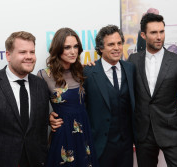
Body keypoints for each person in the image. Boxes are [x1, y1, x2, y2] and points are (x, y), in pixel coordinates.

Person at [50, 25, 135, 167]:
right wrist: (50, 116)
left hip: (126, 146)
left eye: (119, 43)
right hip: (98, 145)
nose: (117, 48)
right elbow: (74, 100)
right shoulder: (87, 72)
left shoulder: (131, 69)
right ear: (101, 48)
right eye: (111, 44)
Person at [128, 13, 177, 167]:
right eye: (153, 33)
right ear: (143, 35)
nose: (159, 37)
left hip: (173, 132)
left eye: (161, 32)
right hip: (143, 134)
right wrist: (94, 66)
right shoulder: (133, 61)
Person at [0, 31, 49, 167]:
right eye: (23, 52)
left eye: (32, 52)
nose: (29, 57)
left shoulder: (41, 85)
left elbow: (41, 131)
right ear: (8, 55)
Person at [37, 28, 98, 167]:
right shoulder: (44, 76)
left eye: (76, 46)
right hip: (62, 133)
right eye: (67, 47)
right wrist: (49, 118)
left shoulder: (83, 71)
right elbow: (36, 110)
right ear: (58, 49)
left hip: (84, 132)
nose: (73, 51)